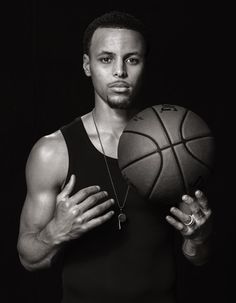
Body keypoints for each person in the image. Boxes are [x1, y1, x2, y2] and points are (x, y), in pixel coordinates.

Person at [17, 11, 212, 303]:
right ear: (87, 65)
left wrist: (198, 238)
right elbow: (28, 258)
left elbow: (198, 259)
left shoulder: (177, 144)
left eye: (132, 59)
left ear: (144, 65)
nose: (120, 71)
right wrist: (55, 231)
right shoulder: (53, 151)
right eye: (106, 59)